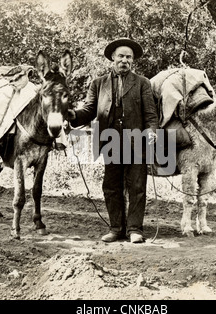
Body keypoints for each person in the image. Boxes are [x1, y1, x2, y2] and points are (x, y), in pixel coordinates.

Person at [68, 38, 159, 243]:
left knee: (137, 186)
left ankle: (135, 229)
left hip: (136, 142)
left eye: (128, 57)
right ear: (112, 58)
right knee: (111, 186)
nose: (124, 60)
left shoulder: (142, 83)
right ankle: (116, 228)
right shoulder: (98, 84)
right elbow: (89, 110)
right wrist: (73, 115)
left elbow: (150, 115)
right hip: (111, 142)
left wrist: (152, 131)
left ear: (132, 61)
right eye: (120, 56)